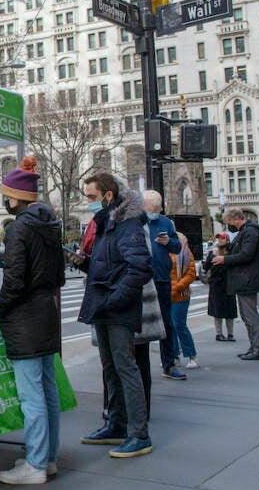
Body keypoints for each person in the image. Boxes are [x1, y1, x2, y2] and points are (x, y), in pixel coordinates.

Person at [0, 157, 65, 485]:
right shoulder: (50, 224)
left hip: (24, 316)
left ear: (14, 197)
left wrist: (2, 307)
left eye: (6, 195)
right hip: (47, 311)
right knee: (47, 389)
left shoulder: (19, 228)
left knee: (31, 394)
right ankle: (47, 457)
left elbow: (14, 279)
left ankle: (35, 465)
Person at [76, 173, 153, 458]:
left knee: (125, 367)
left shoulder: (126, 224)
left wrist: (116, 299)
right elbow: (112, 265)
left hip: (115, 308)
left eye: (92, 197)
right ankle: (117, 424)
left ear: (108, 196)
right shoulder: (107, 224)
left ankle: (138, 433)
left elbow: (139, 268)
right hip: (105, 305)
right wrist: (85, 264)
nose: (89, 203)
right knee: (111, 367)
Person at [211, 209, 259, 360]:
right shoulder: (246, 231)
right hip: (244, 278)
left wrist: (224, 259)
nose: (228, 226)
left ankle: (258, 348)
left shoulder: (249, 232)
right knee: (246, 315)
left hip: (247, 278)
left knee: (250, 315)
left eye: (229, 223)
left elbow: (246, 254)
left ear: (237, 219)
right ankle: (254, 346)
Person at [140, 191, 185, 380]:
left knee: (166, 323)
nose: (155, 213)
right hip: (143, 280)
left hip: (162, 278)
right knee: (141, 325)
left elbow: (177, 246)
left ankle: (169, 362)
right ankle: (141, 366)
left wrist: (169, 242)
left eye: (157, 210)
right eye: (151, 210)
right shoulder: (136, 222)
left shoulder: (165, 223)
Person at [169, 233, 198, 369]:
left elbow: (191, 273)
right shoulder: (163, 250)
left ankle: (191, 355)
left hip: (181, 294)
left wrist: (177, 286)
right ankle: (173, 356)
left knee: (179, 325)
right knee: (170, 327)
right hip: (165, 294)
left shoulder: (185, 252)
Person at [204, 233, 237, 341]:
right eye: (219, 238)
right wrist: (211, 257)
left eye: (222, 238)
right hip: (216, 284)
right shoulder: (213, 252)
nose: (220, 240)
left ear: (227, 240)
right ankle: (219, 333)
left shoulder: (232, 251)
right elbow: (205, 267)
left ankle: (230, 333)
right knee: (217, 309)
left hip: (229, 283)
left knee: (230, 310)